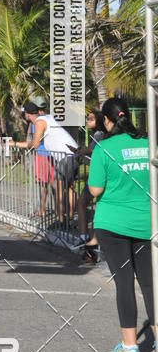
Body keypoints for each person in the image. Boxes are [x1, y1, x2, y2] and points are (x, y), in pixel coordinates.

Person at [88, 97, 155, 352]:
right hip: (146, 223)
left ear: (107, 120)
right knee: (151, 285)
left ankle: (129, 347)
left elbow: (95, 190)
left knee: (124, 284)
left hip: (113, 225)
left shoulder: (103, 148)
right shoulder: (149, 143)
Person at [12, 100, 77, 223]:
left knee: (58, 188)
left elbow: (35, 145)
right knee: (70, 187)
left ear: (27, 114)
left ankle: (61, 221)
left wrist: (15, 144)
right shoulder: (47, 118)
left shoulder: (39, 122)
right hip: (74, 153)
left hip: (66, 157)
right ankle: (70, 219)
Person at [74, 109, 106, 262]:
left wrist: (86, 152)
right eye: (87, 118)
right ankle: (86, 238)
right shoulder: (96, 134)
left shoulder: (100, 134)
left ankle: (89, 241)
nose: (87, 121)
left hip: (98, 177)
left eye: (91, 119)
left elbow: (96, 154)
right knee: (86, 203)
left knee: (93, 206)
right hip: (95, 175)